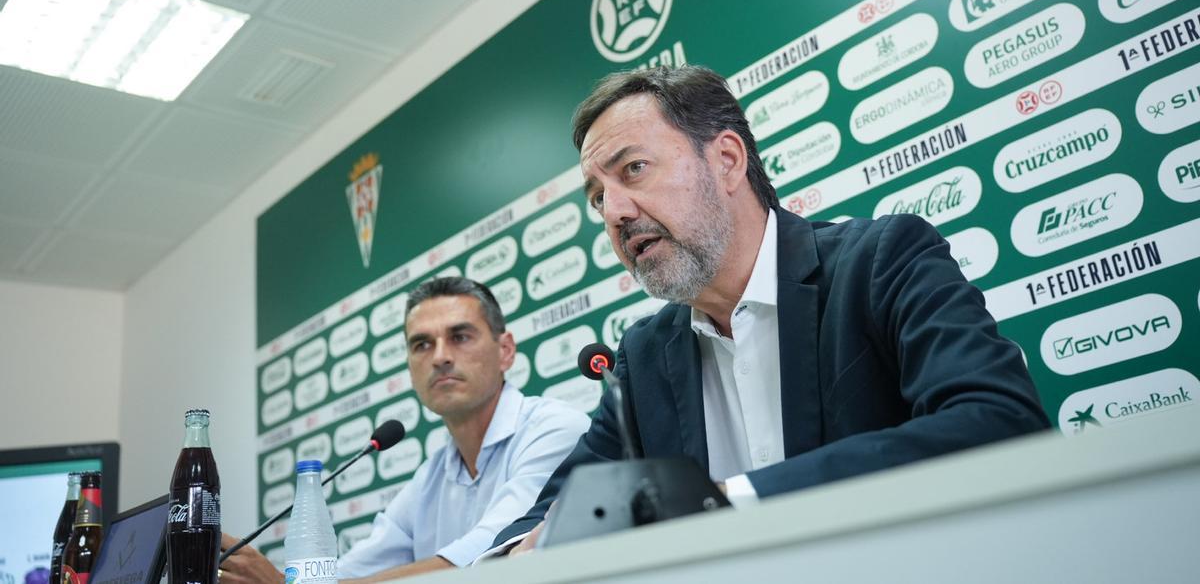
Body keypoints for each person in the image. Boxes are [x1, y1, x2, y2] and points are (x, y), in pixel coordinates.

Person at [493, 65, 1050, 553]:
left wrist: (720, 503)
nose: (614, 212)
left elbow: (999, 423)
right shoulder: (643, 356)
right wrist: (516, 554)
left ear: (728, 161)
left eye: (633, 169)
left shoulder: (881, 261)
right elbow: (553, 511)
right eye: (597, 197)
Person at [220, 277, 590, 582]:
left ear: (505, 350)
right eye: (422, 344)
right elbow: (351, 569)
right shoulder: (429, 477)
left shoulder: (554, 428)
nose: (440, 356)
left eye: (460, 336)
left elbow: (485, 554)